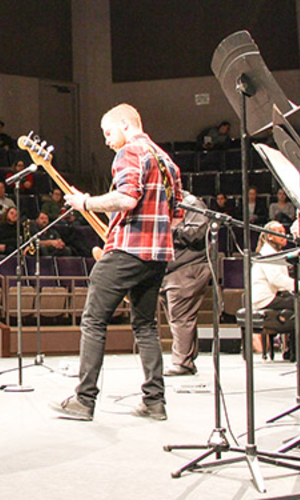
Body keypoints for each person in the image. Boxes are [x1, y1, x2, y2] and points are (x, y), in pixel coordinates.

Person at [51, 103, 184, 422]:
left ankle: (84, 400)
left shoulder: (130, 153)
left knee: (94, 320)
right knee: (146, 326)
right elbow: (177, 217)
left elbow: (126, 198)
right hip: (158, 255)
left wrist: (86, 203)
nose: (107, 141)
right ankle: (155, 403)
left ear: (125, 124)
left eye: (108, 132)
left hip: (127, 250)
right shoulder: (168, 162)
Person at [160, 191, 211, 376]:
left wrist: (166, 229)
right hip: (171, 269)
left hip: (188, 267)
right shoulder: (166, 205)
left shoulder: (191, 203)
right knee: (179, 317)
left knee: (181, 316)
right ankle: (186, 360)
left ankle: (182, 362)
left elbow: (197, 233)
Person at [252, 221, 295, 360]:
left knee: (299, 303)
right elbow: (276, 280)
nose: (284, 236)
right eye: (280, 233)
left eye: (284, 232)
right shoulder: (267, 253)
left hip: (273, 295)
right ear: (270, 236)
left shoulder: (274, 252)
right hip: (265, 298)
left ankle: (291, 349)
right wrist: (299, 285)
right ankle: (294, 350)